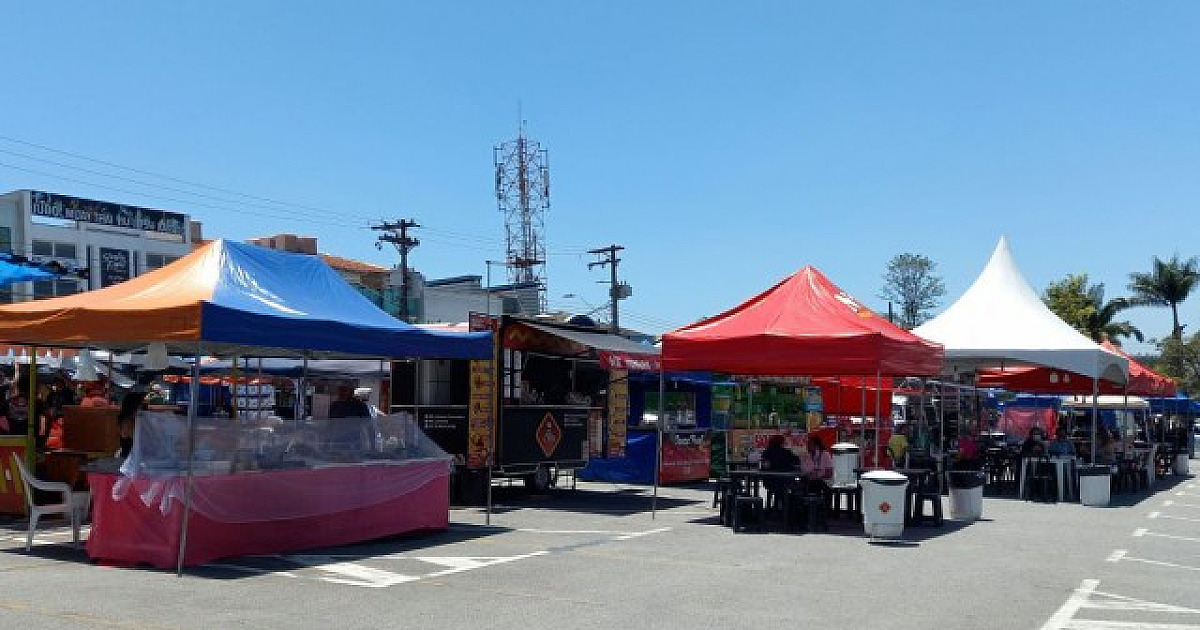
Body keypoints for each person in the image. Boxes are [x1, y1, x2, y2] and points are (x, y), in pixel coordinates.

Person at [759, 434, 799, 511]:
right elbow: (797, 461)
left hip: (769, 482)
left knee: (775, 490)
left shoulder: (766, 452)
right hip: (784, 481)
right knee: (797, 486)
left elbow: (764, 467)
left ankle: (773, 509)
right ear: (781, 443)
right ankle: (790, 509)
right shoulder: (786, 452)